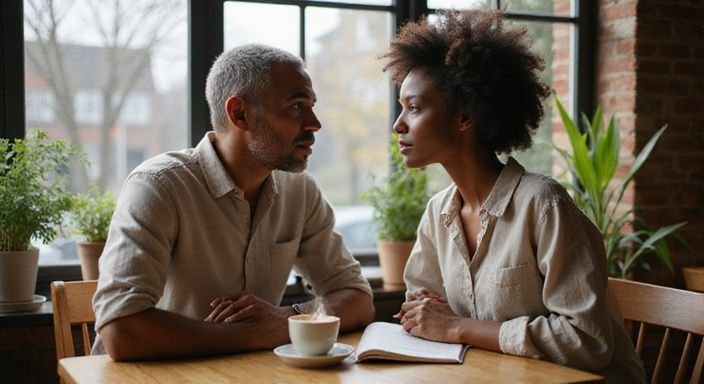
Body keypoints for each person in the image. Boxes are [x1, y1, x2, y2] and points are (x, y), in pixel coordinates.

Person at [381, 9, 646, 383]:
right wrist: (428, 317)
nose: (398, 124)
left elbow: (587, 341)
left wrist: (458, 327)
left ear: (464, 117)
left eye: (414, 107)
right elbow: (421, 308)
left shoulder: (544, 204)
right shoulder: (437, 212)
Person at [92, 44, 374, 361]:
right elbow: (121, 331)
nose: (314, 124)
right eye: (296, 107)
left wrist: (286, 319)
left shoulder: (300, 191)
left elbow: (357, 299)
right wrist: (258, 333)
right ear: (239, 114)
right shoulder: (159, 187)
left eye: (311, 105)